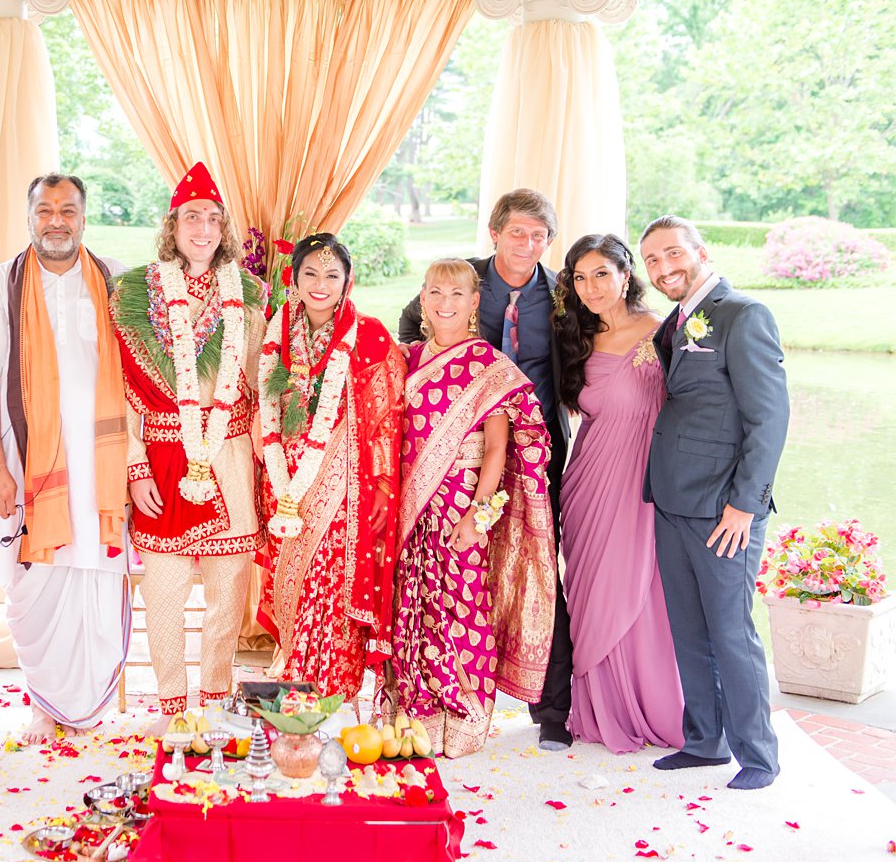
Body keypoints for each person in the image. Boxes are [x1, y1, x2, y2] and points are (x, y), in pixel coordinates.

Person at [396, 188, 575, 750]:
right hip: (426, 470)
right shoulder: (456, 282)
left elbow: (581, 356)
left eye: (538, 235)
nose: (527, 244)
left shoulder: (563, 295)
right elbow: (406, 363)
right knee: (420, 592)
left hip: (528, 453)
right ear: (494, 234)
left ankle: (551, 710)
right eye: (516, 232)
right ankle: (416, 702)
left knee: (533, 565)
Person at [0, 173, 130, 743]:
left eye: (67, 210)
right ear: (29, 215)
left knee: (100, 576)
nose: (56, 220)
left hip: (104, 467)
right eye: (44, 210)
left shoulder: (114, 282)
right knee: (34, 585)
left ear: (84, 216)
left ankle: (92, 706)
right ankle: (44, 702)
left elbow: (142, 376)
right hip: (27, 460)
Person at [109, 162, 267, 722]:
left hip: (230, 456)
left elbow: (262, 380)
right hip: (161, 457)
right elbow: (123, 391)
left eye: (213, 219)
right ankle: (174, 708)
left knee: (228, 599)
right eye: (191, 217)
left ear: (225, 230)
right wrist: (136, 468)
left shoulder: (251, 293)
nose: (203, 228)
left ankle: (218, 701)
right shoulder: (134, 292)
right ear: (171, 225)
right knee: (166, 596)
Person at [641, 215, 790, 791]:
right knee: (688, 629)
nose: (663, 268)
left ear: (702, 252)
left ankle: (759, 756)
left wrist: (744, 507)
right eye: (652, 260)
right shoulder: (676, 322)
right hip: (673, 500)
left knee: (731, 632)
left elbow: (768, 418)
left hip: (724, 510)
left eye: (673, 254)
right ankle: (705, 741)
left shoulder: (743, 315)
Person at [256, 233, 405, 701]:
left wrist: (381, 484)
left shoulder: (371, 333)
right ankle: (294, 683)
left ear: (348, 281)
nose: (320, 284)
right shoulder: (274, 331)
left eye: (332, 275)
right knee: (291, 586)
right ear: (293, 278)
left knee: (331, 582)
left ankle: (333, 695)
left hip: (344, 487)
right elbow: (261, 404)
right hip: (283, 486)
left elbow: (388, 414)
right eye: (310, 274)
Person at [552, 234, 684, 754]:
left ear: (626, 275)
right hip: (588, 479)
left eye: (601, 274)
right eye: (581, 278)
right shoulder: (575, 336)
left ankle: (649, 705)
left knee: (639, 588)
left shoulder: (663, 332)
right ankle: (594, 707)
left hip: (642, 480)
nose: (591, 287)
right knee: (587, 587)